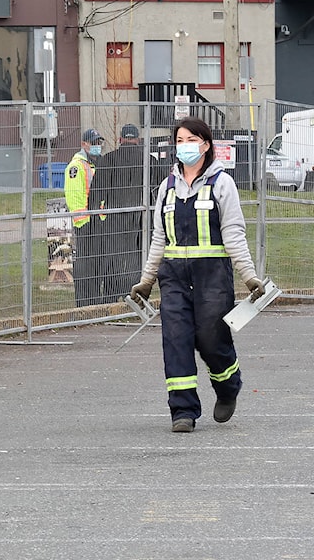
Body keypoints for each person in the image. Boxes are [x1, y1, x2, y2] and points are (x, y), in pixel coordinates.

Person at [130, 117, 265, 433]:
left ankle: (228, 387)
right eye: (179, 140)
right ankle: (183, 410)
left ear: (205, 144)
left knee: (210, 339)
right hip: (173, 277)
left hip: (212, 277)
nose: (184, 146)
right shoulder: (166, 187)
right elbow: (159, 238)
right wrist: (147, 280)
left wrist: (249, 276)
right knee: (175, 339)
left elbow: (233, 231)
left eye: (191, 139)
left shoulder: (222, 183)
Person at [88, 123, 145, 304]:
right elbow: (158, 191)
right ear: (138, 139)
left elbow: (96, 194)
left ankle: (113, 297)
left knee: (113, 258)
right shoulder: (147, 160)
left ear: (120, 139)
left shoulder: (108, 160)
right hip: (140, 218)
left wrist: (95, 219)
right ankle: (135, 296)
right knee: (137, 257)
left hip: (114, 218)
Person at [65, 128, 105, 306]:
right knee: (85, 265)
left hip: (99, 223)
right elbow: (75, 197)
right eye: (93, 142)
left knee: (97, 265)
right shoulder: (77, 166)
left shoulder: (95, 164)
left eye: (99, 142)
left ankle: (95, 300)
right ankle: (84, 302)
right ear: (84, 144)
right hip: (85, 224)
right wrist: (84, 222)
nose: (97, 146)